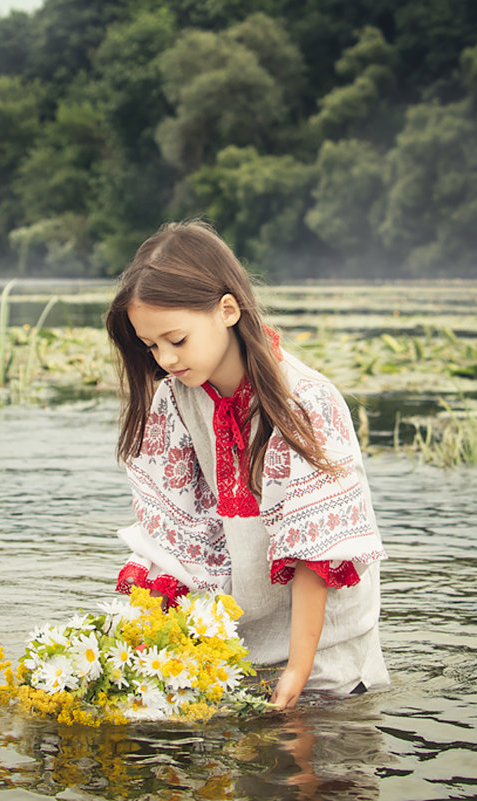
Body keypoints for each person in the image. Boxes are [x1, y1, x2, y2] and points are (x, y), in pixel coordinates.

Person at [104, 220, 389, 709]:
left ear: (227, 310)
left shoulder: (303, 401)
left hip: (323, 654)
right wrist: (138, 643)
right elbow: (173, 532)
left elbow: (315, 554)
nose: (166, 359)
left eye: (177, 339)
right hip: (241, 646)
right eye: (151, 346)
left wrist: (298, 670)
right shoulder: (177, 399)